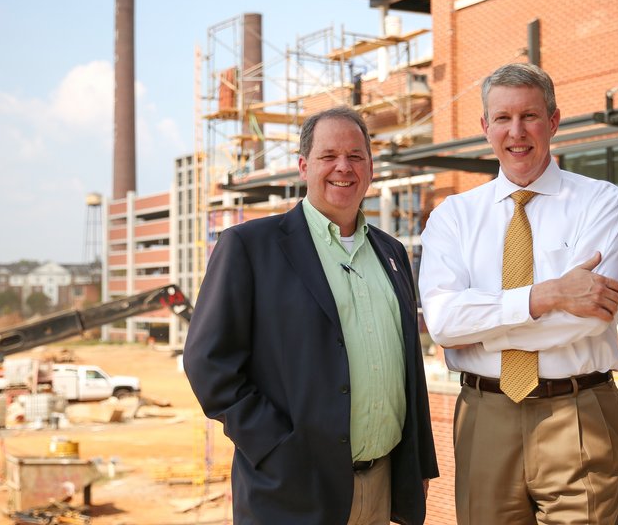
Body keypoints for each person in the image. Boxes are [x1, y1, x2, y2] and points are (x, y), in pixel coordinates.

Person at [184, 106, 438, 525]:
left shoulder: (392, 254)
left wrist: (418, 465)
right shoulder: (250, 247)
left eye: (356, 156)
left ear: (371, 168)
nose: (344, 167)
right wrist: (274, 445)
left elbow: (409, 367)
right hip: (293, 491)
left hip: (381, 484)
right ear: (304, 166)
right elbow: (207, 363)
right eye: (329, 156)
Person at [418, 63, 618, 525]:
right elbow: (443, 323)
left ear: (553, 121)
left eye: (530, 116)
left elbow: (588, 318)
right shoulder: (452, 216)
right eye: (502, 118)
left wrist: (480, 328)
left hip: (579, 414)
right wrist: (546, 296)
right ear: (485, 127)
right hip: (484, 415)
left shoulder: (602, 203)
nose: (517, 132)